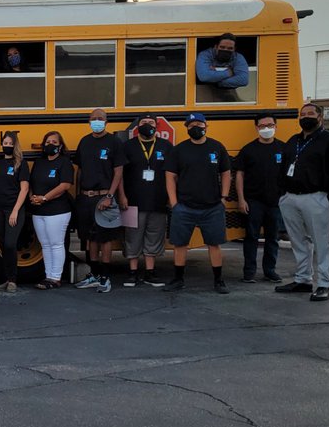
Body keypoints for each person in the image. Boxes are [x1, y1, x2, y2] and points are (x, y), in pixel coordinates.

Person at [276, 103, 329, 301]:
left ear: (320, 118)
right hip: (291, 198)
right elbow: (283, 167)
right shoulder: (293, 140)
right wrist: (282, 194)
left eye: (310, 113)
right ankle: (303, 279)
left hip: (316, 197)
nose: (306, 117)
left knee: (321, 242)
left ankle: (324, 284)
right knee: (298, 241)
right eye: (302, 114)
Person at [163, 113, 232, 294]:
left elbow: (226, 173)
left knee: (214, 244)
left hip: (212, 206)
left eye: (199, 124)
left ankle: (218, 280)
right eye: (191, 124)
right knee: (180, 244)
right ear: (186, 128)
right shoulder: (179, 150)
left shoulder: (217, 147)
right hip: (184, 206)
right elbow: (170, 176)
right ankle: (178, 279)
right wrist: (174, 202)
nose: (196, 127)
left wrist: (223, 198)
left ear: (206, 126)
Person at [72, 109, 127, 293]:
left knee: (105, 238)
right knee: (90, 238)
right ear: (89, 121)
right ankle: (94, 275)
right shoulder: (85, 142)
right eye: (94, 119)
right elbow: (79, 170)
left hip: (105, 197)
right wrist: (78, 194)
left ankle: (105, 277)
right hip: (86, 197)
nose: (97, 121)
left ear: (106, 121)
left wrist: (111, 196)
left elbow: (118, 172)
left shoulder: (114, 142)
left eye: (100, 119)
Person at [235, 115, 287, 284]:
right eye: (262, 125)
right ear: (256, 128)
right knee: (251, 237)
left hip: (276, 202)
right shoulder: (248, 150)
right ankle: (249, 272)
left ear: (276, 126)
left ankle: (270, 271)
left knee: (273, 238)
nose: (266, 128)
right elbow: (240, 175)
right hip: (253, 201)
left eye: (270, 125)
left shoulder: (283, 149)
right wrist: (241, 199)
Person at [120, 114, 171, 288]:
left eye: (150, 123)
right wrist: (122, 196)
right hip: (132, 200)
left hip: (158, 200)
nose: (147, 125)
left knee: (154, 236)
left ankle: (150, 272)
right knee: (132, 237)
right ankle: (132, 272)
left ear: (156, 126)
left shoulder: (166, 146)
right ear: (137, 126)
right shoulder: (127, 146)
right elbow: (120, 175)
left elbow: (172, 174)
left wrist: (171, 197)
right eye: (143, 123)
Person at [28, 131, 74, 289]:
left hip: (58, 210)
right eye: (47, 142)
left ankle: (56, 277)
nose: (50, 145)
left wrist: (45, 198)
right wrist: (32, 197)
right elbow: (31, 181)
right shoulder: (39, 162)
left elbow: (64, 186)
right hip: (38, 211)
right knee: (45, 245)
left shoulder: (64, 162)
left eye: (54, 142)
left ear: (60, 146)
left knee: (56, 243)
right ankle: (48, 276)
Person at [0, 132, 30, 292]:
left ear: (15, 145)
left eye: (10, 143)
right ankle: (7, 278)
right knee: (4, 245)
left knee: (11, 244)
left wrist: (15, 211)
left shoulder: (21, 164)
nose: (7, 145)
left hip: (13, 210)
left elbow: (24, 189)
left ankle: (13, 280)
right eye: (5, 142)